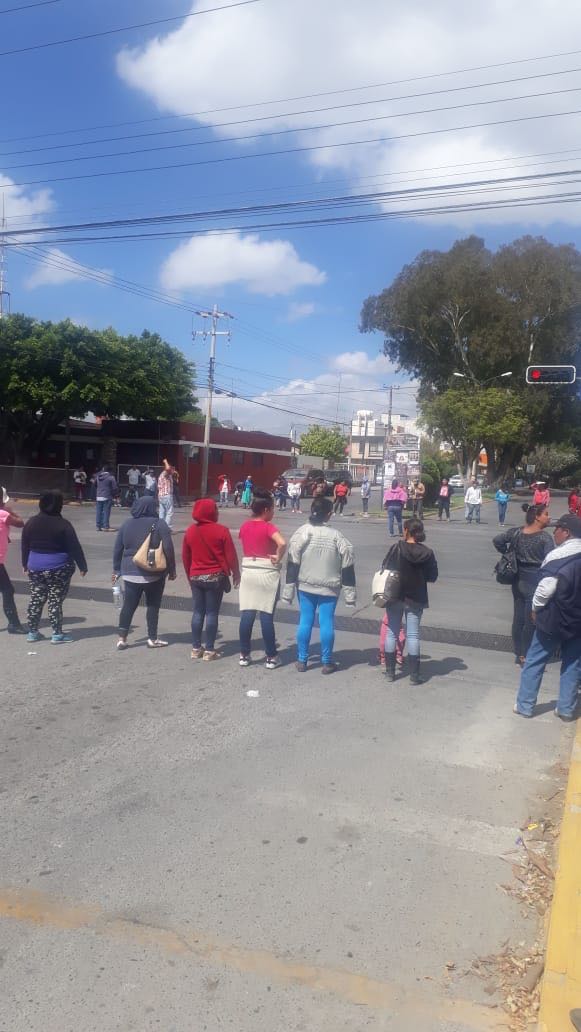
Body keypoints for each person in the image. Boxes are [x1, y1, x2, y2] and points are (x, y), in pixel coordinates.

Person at [514, 513, 581, 721]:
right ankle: (566, 709)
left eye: (557, 528)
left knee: (535, 660)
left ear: (566, 532)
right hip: (578, 622)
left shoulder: (558, 556)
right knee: (572, 664)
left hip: (554, 619)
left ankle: (525, 705)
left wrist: (535, 608)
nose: (554, 532)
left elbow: (545, 589)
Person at [282, 496, 356, 673]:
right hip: (330, 587)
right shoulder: (337, 536)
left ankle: (302, 660)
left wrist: (288, 592)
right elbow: (348, 565)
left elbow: (292, 563)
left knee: (305, 621)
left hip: (305, 585)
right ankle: (327, 662)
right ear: (329, 515)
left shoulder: (301, 532)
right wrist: (350, 596)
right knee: (326, 622)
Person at [22, 490, 88, 644]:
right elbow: (74, 547)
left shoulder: (31, 522)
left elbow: (25, 545)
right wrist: (82, 566)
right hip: (59, 567)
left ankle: (32, 632)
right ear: (58, 505)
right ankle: (57, 634)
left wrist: (25, 563)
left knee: (36, 599)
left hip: (35, 566)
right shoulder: (63, 524)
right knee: (55, 600)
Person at [113, 495, 176, 650]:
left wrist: (116, 569)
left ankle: (122, 638)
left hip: (129, 570)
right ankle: (152, 638)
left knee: (129, 605)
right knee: (153, 606)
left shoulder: (126, 524)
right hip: (153, 572)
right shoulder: (159, 523)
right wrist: (171, 569)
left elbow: (117, 548)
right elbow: (168, 547)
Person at [493, 503, 553, 666]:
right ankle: (525, 655)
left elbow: (498, 540)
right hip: (535, 581)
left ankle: (518, 652)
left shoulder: (516, 532)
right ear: (537, 517)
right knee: (530, 620)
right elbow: (550, 561)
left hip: (517, 578)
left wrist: (507, 553)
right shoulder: (545, 537)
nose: (549, 517)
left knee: (518, 618)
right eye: (546, 514)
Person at [380, 517, 438, 684]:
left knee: (392, 631)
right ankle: (414, 675)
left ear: (406, 530)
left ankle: (390, 672)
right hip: (416, 597)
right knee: (413, 634)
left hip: (395, 595)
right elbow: (432, 576)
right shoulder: (427, 552)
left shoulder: (397, 548)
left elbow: (385, 567)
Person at [182, 498, 240, 661]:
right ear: (212, 512)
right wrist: (236, 573)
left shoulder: (190, 531)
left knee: (198, 612)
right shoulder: (221, 530)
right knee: (212, 613)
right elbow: (231, 555)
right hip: (215, 577)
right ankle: (209, 650)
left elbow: (186, 557)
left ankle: (195, 648)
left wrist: (190, 576)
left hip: (195, 576)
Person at [238, 488, 286, 669]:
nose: (273, 512)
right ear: (265, 510)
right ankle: (271, 656)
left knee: (247, 615)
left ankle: (244, 654)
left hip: (249, 571)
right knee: (266, 616)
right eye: (272, 509)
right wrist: (278, 556)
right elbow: (282, 543)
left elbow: (245, 541)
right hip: (267, 572)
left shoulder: (245, 526)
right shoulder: (268, 527)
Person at [0, 488, 26, 634]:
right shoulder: (3, 514)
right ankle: (14, 624)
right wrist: (9, 510)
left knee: (6, 589)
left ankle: (13, 624)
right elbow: (20, 523)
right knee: (7, 590)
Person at [95, 465, 118, 531]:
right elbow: (115, 488)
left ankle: (98, 526)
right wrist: (115, 495)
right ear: (110, 471)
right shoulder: (111, 477)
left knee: (99, 511)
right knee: (106, 512)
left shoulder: (98, 477)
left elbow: (95, 485)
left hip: (98, 496)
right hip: (107, 496)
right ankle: (105, 526)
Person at [157, 459, 175, 529]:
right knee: (169, 512)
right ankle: (166, 527)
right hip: (166, 495)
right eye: (172, 469)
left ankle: (160, 527)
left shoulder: (162, 475)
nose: (172, 470)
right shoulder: (165, 473)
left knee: (162, 512)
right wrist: (166, 462)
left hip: (161, 496)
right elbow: (167, 469)